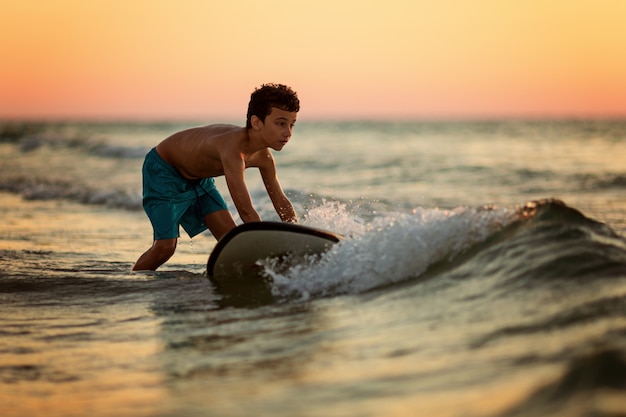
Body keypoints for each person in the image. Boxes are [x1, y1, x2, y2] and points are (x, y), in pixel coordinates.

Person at [132, 83, 300, 271]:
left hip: (199, 180)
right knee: (165, 248)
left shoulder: (265, 158)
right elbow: (246, 211)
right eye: (280, 123)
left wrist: (298, 237)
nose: (288, 132)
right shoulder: (233, 151)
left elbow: (281, 201)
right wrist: (265, 249)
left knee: (233, 244)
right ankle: (129, 285)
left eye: (292, 124)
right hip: (164, 170)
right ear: (256, 123)